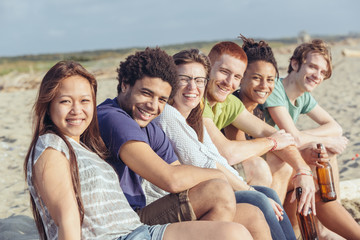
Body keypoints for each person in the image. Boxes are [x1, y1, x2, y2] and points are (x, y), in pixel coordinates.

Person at [23, 60, 253, 240]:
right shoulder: (51, 146)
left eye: (84, 101)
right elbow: (67, 219)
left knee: (245, 224)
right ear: (49, 104)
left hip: (136, 230)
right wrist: (220, 174)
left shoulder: (82, 145)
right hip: (121, 237)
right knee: (233, 234)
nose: (77, 110)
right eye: (65, 101)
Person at [96, 47, 269, 237]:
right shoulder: (113, 118)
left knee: (252, 215)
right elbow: (172, 179)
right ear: (125, 85)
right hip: (124, 222)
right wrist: (217, 174)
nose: (153, 106)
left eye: (162, 99)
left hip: (142, 211)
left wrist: (215, 175)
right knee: (217, 191)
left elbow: (179, 170)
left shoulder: (149, 125)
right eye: (146, 93)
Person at [152, 48, 296, 239]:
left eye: (199, 80)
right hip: (169, 202)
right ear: (170, 81)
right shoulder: (168, 114)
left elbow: (215, 157)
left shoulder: (192, 117)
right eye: (184, 79)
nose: (192, 87)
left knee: (265, 193)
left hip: (197, 192)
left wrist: (250, 187)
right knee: (258, 198)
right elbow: (204, 163)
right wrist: (249, 190)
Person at [202, 41, 316, 216]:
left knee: (296, 170)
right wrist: (272, 142)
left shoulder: (230, 103)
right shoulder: (198, 102)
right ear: (208, 69)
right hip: (199, 177)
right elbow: (229, 152)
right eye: (224, 72)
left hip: (217, 170)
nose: (229, 82)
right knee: (260, 167)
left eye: (235, 77)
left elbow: (276, 134)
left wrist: (303, 170)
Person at [262, 39, 360, 239]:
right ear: (296, 63)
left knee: (324, 152)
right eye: (313, 67)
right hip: (269, 167)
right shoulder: (275, 90)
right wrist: (323, 140)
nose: (317, 75)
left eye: (323, 72)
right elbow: (293, 139)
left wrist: (322, 141)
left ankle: (331, 222)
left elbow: (335, 127)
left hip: (287, 161)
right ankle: (326, 228)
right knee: (321, 151)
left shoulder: (302, 97)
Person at [223, 35, 294, 203]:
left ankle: (277, 219)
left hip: (246, 171)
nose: (264, 86)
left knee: (284, 165)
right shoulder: (233, 105)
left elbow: (281, 139)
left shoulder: (260, 111)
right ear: (241, 77)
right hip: (226, 176)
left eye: (270, 80)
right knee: (261, 165)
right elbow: (243, 155)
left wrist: (302, 169)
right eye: (256, 78)